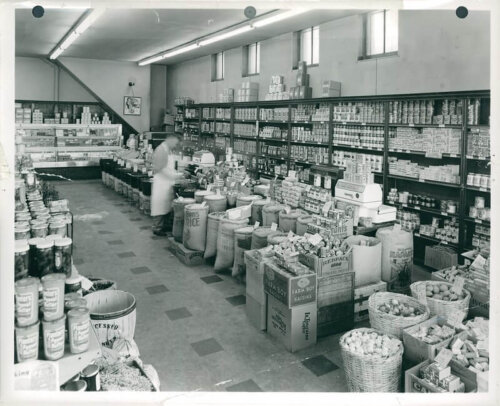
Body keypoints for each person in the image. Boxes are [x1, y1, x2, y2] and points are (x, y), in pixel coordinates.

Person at [151, 134, 183, 235]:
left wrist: (178, 174)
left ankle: (164, 225)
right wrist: (177, 176)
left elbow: (169, 167)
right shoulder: (161, 150)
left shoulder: (167, 149)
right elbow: (161, 169)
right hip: (161, 183)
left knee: (166, 205)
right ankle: (157, 228)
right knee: (160, 205)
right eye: (176, 143)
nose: (176, 146)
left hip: (166, 183)